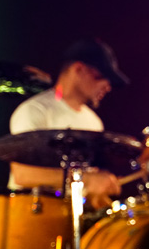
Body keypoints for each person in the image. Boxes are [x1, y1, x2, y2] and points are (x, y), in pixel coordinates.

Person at [9, 37, 129, 210]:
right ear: (79, 69)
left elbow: (84, 190)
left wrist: (98, 192)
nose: (107, 86)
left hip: (70, 217)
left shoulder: (94, 122)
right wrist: (86, 179)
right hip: (30, 216)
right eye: (102, 77)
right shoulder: (35, 111)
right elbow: (23, 175)